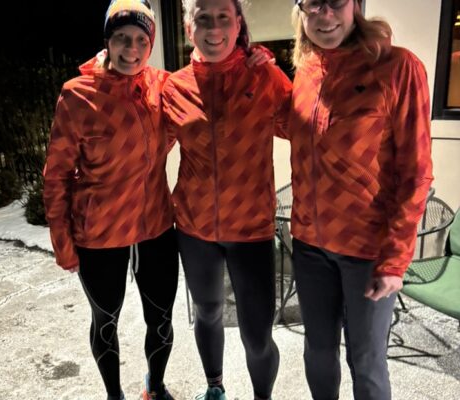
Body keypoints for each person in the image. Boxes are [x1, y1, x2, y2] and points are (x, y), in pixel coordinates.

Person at [282, 1, 434, 399]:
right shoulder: (306, 70)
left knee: (366, 361)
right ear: (300, 10)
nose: (325, 14)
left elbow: (416, 172)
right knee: (317, 352)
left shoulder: (397, 67)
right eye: (312, 3)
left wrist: (395, 259)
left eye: (336, 1)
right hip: (310, 245)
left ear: (355, 5)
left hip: (368, 250)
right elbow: (290, 126)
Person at [43, 1, 178, 399]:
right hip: (99, 234)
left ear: (151, 44)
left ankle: (155, 387)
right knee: (105, 322)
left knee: (162, 320)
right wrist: (62, 242)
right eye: (121, 38)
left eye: (140, 40)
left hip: (155, 225)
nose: (131, 49)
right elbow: (56, 175)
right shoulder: (77, 95)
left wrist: (246, 54)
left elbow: (206, 92)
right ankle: (114, 395)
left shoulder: (163, 86)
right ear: (107, 41)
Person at [162, 1, 292, 399]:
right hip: (194, 228)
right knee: (207, 312)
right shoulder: (174, 87)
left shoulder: (264, 77)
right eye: (203, 19)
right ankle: (214, 387)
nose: (214, 28)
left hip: (251, 229)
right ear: (189, 29)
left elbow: (308, 126)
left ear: (238, 26)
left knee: (257, 335)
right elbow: (141, 147)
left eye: (223, 18)